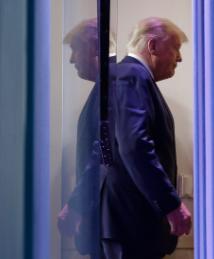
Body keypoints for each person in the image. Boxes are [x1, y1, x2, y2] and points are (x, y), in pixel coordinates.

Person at [101, 17, 192, 259]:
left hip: (131, 225)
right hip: (133, 225)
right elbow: (134, 145)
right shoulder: (132, 75)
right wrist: (170, 204)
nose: (180, 58)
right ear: (152, 46)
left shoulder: (133, 77)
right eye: (176, 49)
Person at [57, 18, 116, 259]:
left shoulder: (111, 84)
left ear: (94, 46)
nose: (71, 59)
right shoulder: (108, 83)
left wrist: (76, 205)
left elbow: (103, 152)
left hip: (109, 225)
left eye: (75, 49)